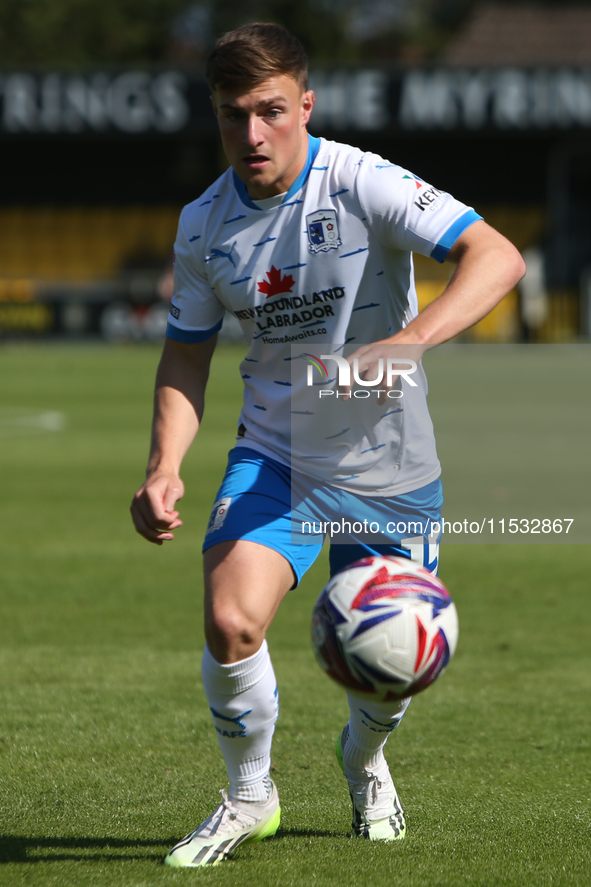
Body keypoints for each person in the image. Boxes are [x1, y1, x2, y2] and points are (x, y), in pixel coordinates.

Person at [130, 22, 525, 868]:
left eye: (271, 110)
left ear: (305, 104)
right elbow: (184, 353)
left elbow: (496, 257)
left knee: (392, 660)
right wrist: (164, 465)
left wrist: (409, 342)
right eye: (233, 115)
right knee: (231, 619)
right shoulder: (203, 224)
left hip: (390, 463)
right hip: (279, 451)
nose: (252, 133)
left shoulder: (359, 180)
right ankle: (248, 797)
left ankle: (365, 757)